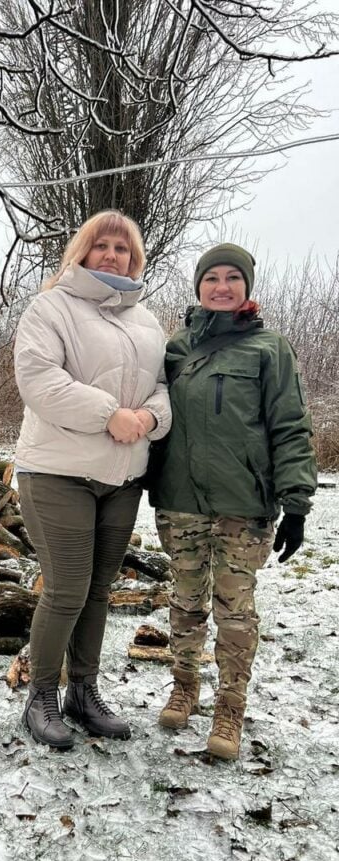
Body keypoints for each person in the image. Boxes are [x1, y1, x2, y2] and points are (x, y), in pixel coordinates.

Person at [149, 243, 317, 760]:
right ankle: (184, 685)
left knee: (235, 611)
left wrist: (297, 499)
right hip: (179, 501)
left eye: (232, 278)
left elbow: (290, 425)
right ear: (198, 287)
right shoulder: (174, 348)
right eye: (212, 278)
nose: (222, 286)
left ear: (246, 286)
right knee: (184, 602)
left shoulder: (269, 349)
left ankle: (229, 709)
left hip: (244, 505)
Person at [13, 210, 172, 749]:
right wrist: (110, 413)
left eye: (122, 249)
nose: (111, 255)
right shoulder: (51, 305)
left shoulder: (147, 322)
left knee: (99, 591)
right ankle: (41, 698)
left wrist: (149, 418)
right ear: (81, 251)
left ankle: (84, 691)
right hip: (58, 472)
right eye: (100, 245)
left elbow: (163, 389)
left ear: (135, 259)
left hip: (122, 479)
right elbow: (39, 380)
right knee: (67, 589)